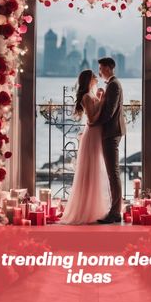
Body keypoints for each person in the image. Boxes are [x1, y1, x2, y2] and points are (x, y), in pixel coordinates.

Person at [60, 69, 111, 225]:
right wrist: (102, 101)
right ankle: (86, 209)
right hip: (93, 133)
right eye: (94, 76)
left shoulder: (91, 94)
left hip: (95, 134)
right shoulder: (87, 96)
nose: (97, 77)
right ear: (89, 80)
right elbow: (93, 119)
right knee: (91, 170)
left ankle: (94, 207)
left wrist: (100, 97)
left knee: (96, 170)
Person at [95, 57, 126, 224]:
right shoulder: (112, 84)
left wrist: (94, 123)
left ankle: (115, 212)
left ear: (108, 68)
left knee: (113, 172)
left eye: (101, 68)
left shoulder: (114, 85)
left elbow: (110, 112)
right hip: (112, 131)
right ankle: (114, 210)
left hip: (111, 132)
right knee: (112, 172)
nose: (99, 72)